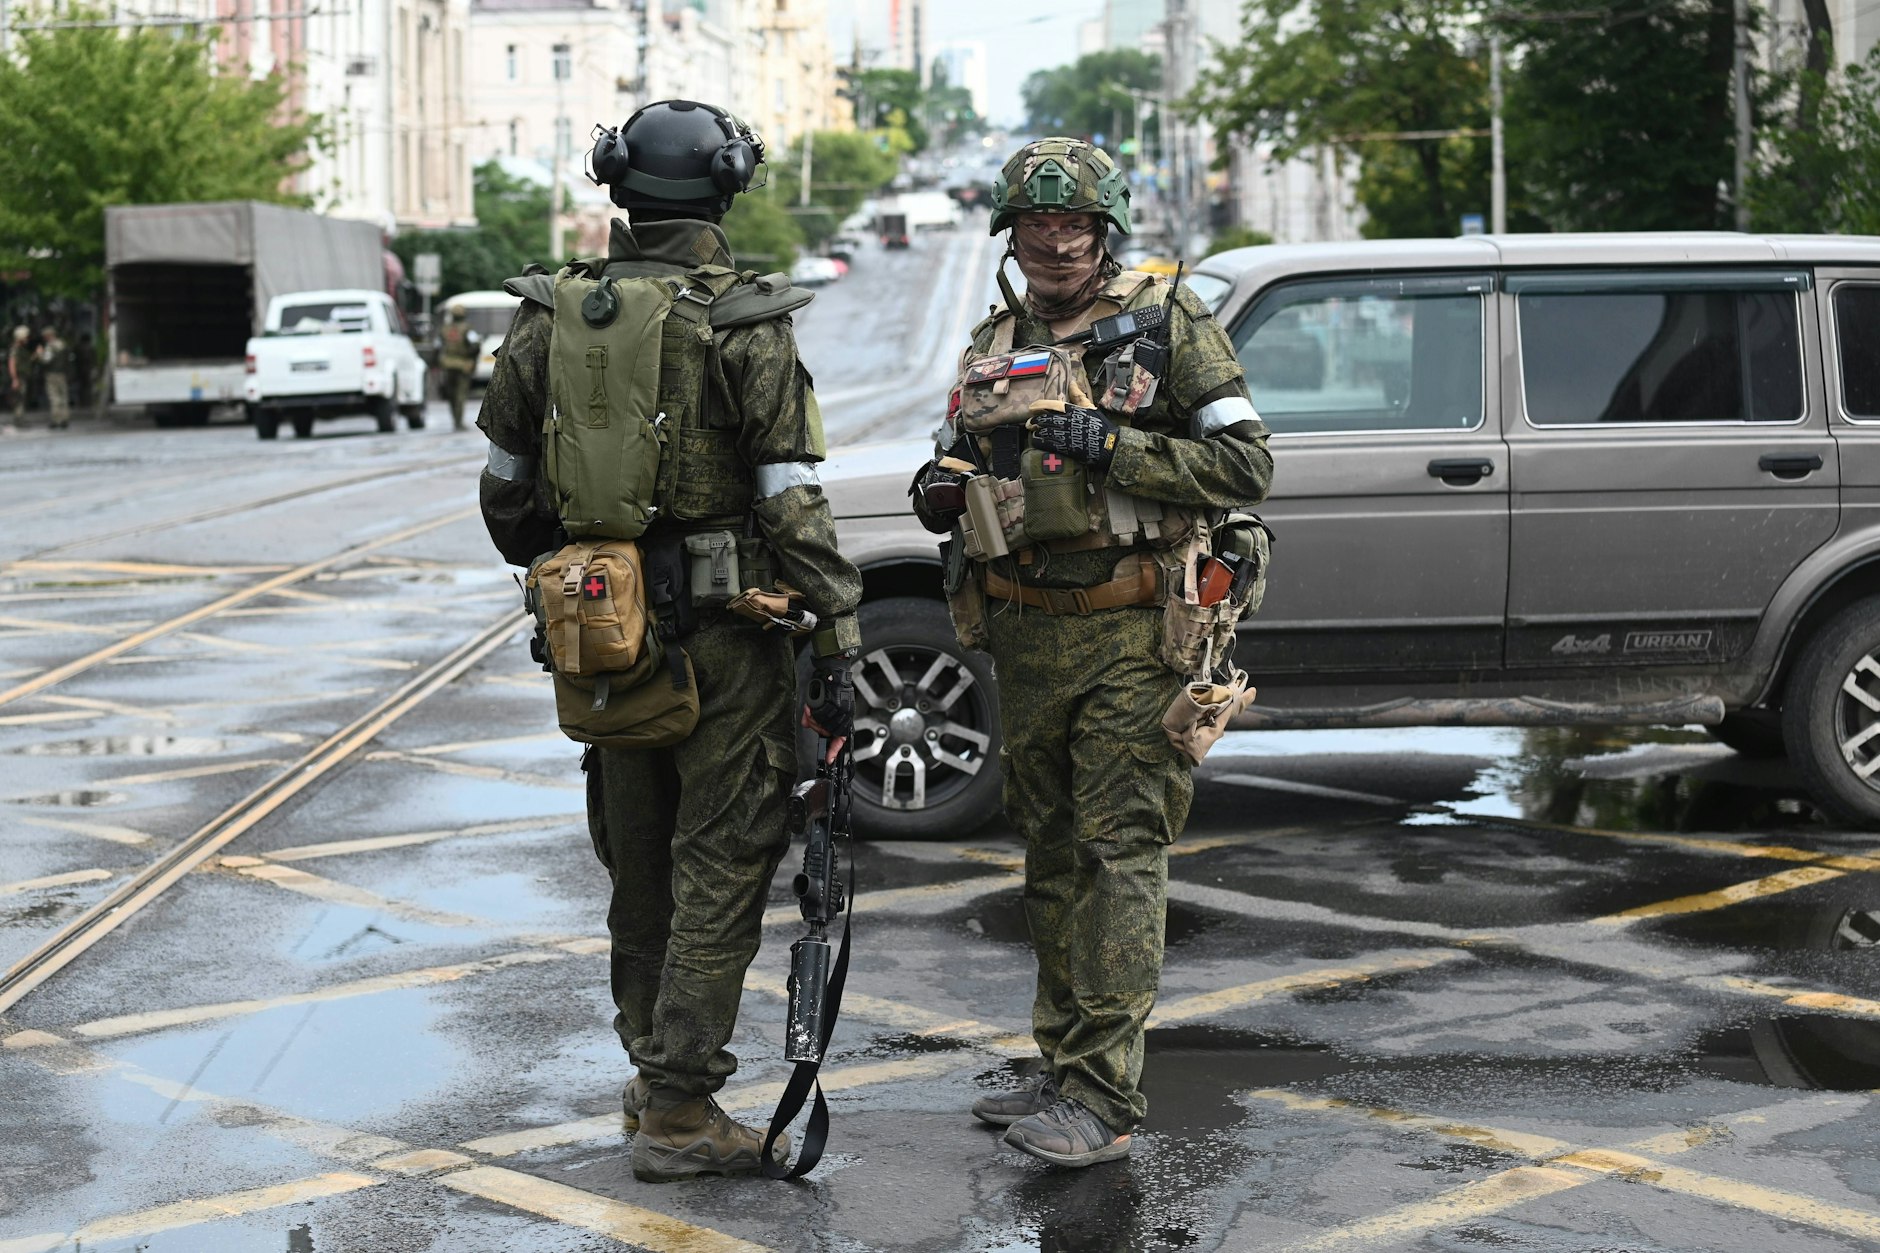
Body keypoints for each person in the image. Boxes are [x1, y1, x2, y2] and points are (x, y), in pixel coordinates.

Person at [475, 98, 862, 1183]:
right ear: (727, 187)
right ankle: (684, 1114)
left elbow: (505, 495)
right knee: (719, 871)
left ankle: (651, 1077)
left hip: (605, 640)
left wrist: (587, 562)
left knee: (635, 870)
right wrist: (838, 635)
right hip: (730, 649)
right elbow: (792, 503)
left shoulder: (548, 317)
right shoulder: (742, 320)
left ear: (616, 186)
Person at [913, 137, 1273, 1168]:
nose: (1055, 243)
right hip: (1024, 626)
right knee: (1051, 853)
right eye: (1035, 226)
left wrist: (1110, 446)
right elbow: (959, 451)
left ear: (1103, 228)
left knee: (1117, 854)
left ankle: (1104, 1099)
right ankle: (1065, 1063)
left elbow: (1246, 462)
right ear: (1011, 234)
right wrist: (937, 485)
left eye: (1072, 226)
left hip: (1132, 628)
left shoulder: (1167, 320)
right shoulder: (996, 332)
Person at [436, 306, 479, 431]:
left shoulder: (445, 329)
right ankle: (458, 422)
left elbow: (438, 346)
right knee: (460, 394)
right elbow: (475, 346)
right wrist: (472, 359)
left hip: (447, 365)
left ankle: (455, 419)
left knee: (451, 394)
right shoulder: (467, 329)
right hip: (463, 365)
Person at [40, 326, 71, 430]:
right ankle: (65, 419)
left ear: (49, 336)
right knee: (64, 396)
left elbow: (46, 360)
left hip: (52, 374)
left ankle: (56, 420)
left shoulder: (50, 346)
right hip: (62, 374)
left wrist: (40, 354)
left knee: (54, 397)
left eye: (45, 336)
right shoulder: (62, 344)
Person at [8, 326, 30, 422]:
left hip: (21, 376)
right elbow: (12, 363)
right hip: (18, 377)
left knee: (21, 398)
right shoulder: (15, 349)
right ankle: (18, 419)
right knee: (18, 398)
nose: (27, 339)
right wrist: (15, 379)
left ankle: (20, 418)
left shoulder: (20, 348)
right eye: (25, 337)